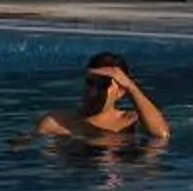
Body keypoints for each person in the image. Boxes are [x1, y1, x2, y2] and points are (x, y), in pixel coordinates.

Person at [27, 50, 170, 149]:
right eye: (90, 83)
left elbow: (161, 136)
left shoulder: (132, 122)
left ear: (120, 91)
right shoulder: (57, 122)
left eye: (103, 85)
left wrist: (131, 86)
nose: (93, 91)